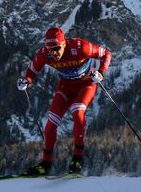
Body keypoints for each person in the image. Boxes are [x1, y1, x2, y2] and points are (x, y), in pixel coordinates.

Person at [17, 27, 112, 175]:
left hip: (86, 84)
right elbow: (32, 70)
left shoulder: (81, 47)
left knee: (77, 111)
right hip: (65, 87)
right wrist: (26, 80)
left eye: (56, 48)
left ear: (64, 44)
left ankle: (77, 158)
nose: (53, 52)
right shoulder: (44, 54)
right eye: (50, 49)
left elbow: (106, 54)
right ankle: (46, 164)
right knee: (50, 124)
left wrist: (101, 72)